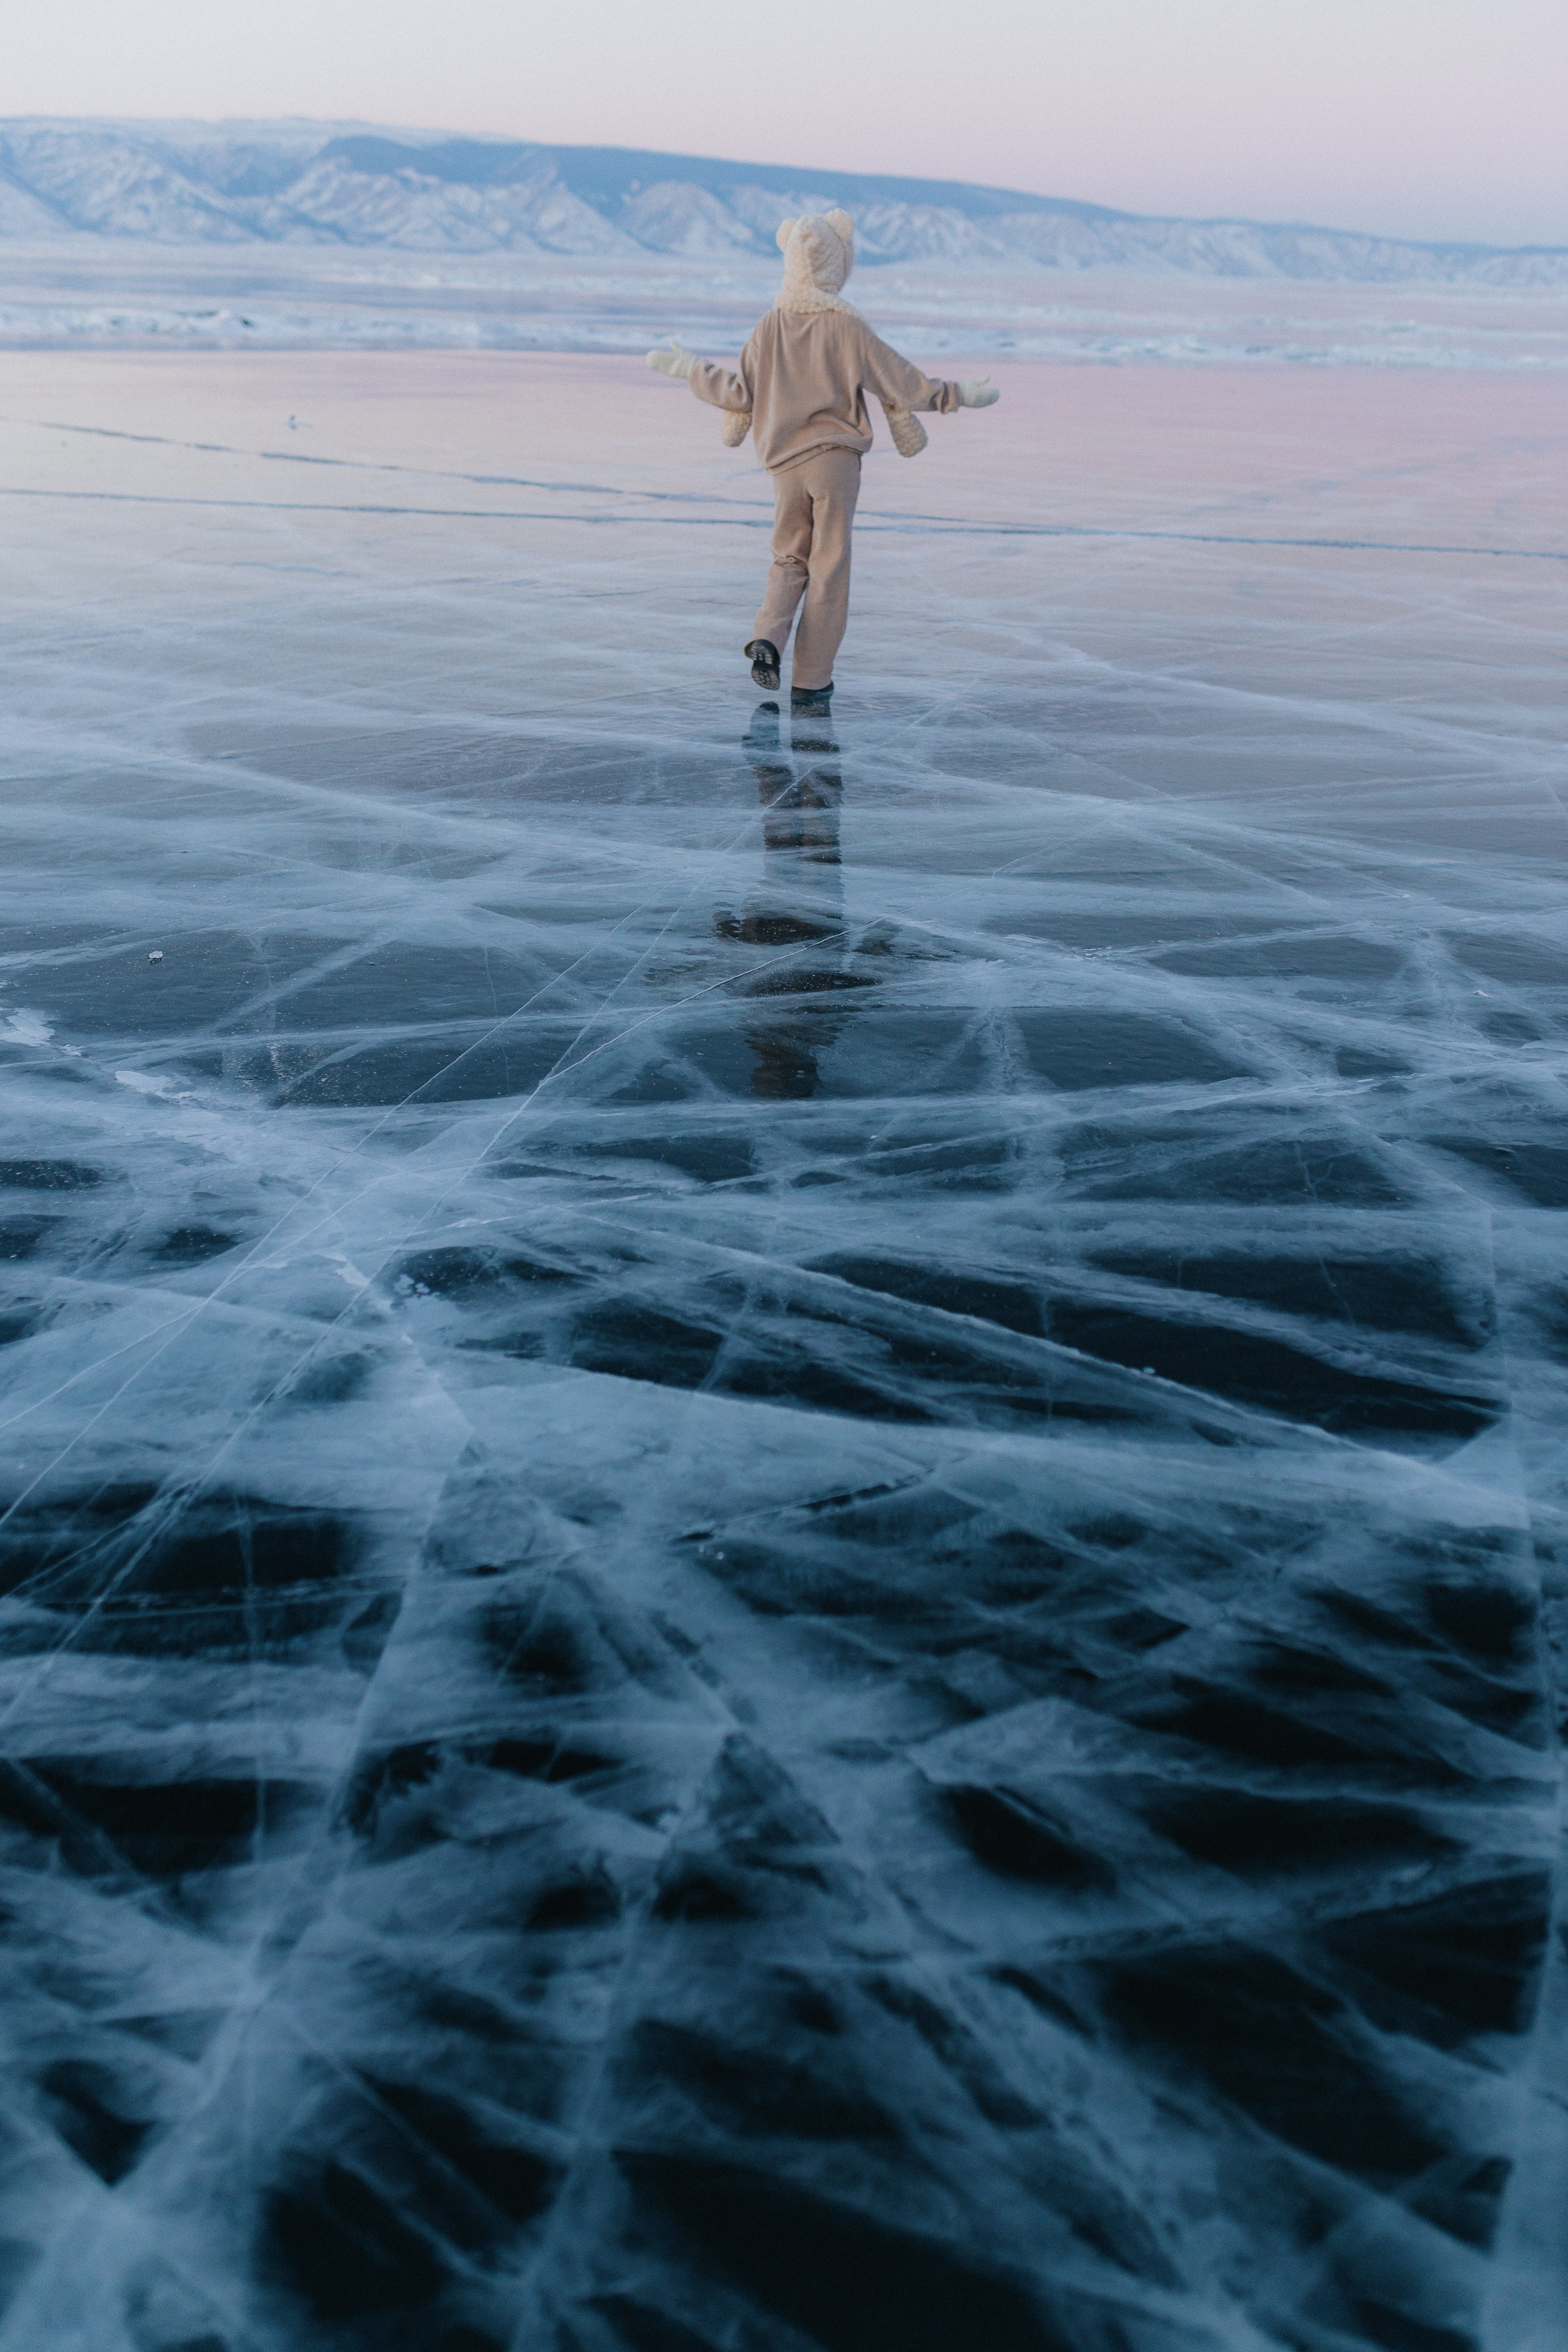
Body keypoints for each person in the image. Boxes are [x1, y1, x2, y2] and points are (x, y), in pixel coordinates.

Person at [647, 210, 1000, 712]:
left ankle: (768, 636)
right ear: (840, 265)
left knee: (789, 557)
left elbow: (739, 392)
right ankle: (812, 679)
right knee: (829, 567)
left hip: (785, 465)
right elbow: (901, 381)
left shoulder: (768, 327)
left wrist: (688, 368)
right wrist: (957, 394)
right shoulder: (847, 328)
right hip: (835, 463)